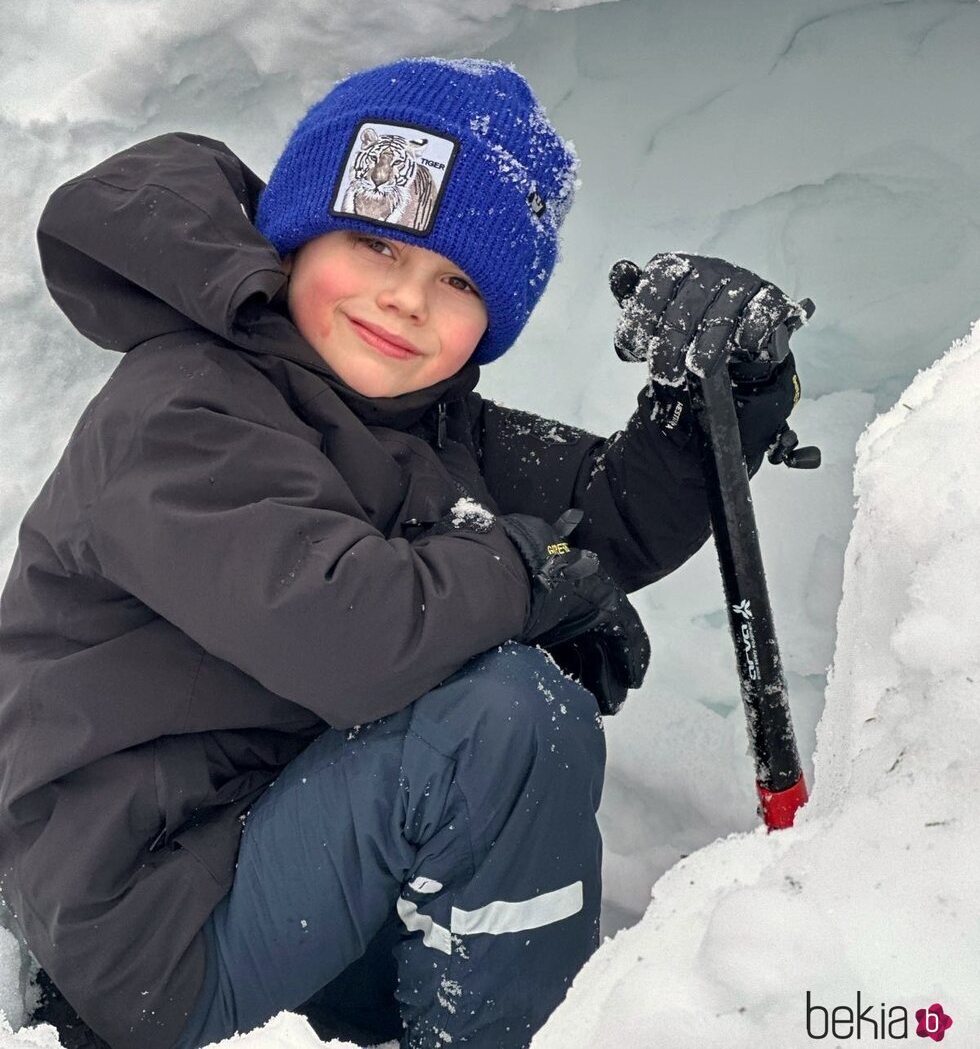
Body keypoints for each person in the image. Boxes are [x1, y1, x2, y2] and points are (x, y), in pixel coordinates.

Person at [0, 58, 804, 1049]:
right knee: (505, 718)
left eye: (456, 279)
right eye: (374, 244)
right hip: (149, 920)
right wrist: (529, 580)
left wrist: (716, 397)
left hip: (282, 869)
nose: (404, 298)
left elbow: (599, 521)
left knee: (497, 659)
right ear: (296, 233)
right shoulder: (184, 406)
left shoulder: (421, 424)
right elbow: (348, 628)